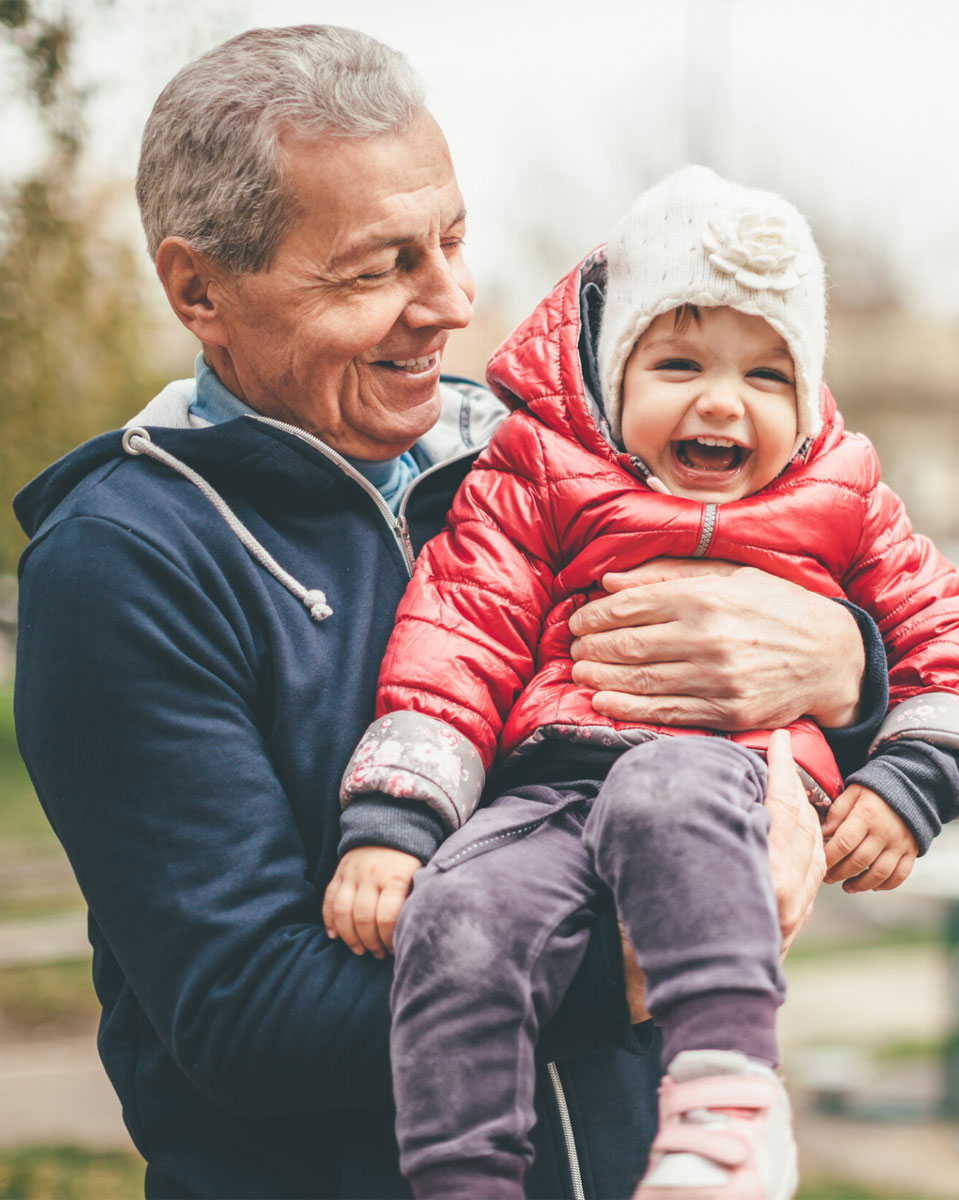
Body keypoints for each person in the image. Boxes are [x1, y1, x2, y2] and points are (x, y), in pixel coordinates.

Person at [12, 27, 886, 1200]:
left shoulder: (536, 459)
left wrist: (844, 665)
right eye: (377, 269)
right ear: (198, 288)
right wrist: (664, 957)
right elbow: (247, 1015)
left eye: (454, 241)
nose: (451, 302)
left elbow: (834, 570)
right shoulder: (124, 564)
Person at [324, 167, 959, 1198]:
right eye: (679, 362)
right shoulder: (538, 474)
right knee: (460, 913)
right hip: (551, 794)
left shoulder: (842, 493)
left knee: (663, 789)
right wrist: (395, 818)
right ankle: (464, 1179)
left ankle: (730, 1106)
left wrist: (913, 775)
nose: (722, 401)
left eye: (769, 377)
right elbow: (460, 628)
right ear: (611, 372)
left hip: (726, 777)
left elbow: (947, 627)